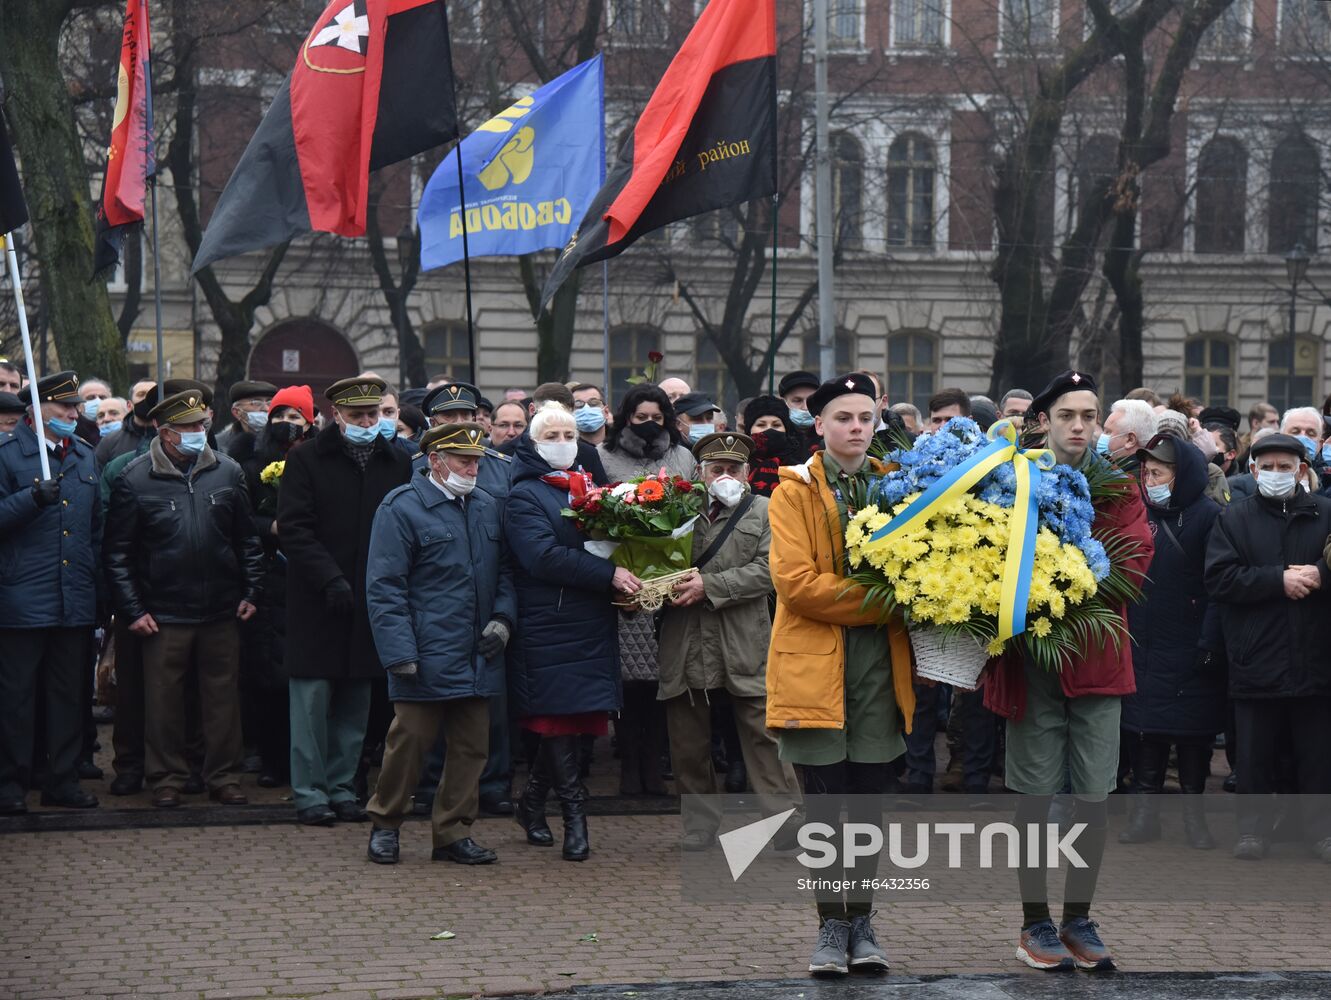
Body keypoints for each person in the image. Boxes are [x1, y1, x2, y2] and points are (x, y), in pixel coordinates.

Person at [982, 371, 1153, 973]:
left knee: (1094, 797)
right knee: (1033, 798)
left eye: (1089, 415)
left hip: (1099, 664)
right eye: (1066, 416)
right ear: (1044, 422)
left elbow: (1130, 569)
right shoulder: (1010, 479)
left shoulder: (1119, 488)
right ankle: (1035, 922)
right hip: (1034, 663)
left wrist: (1058, 579)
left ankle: (1079, 916)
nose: (1079, 426)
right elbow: (986, 562)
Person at [767, 372, 917, 976]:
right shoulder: (792, 492)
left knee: (870, 809)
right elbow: (797, 586)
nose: (856, 429)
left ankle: (863, 921)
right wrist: (890, 599)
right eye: (843, 419)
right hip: (815, 670)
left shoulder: (896, 486)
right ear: (819, 425)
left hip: (880, 669)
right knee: (826, 810)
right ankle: (830, 926)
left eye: (864, 418)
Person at [364, 422, 517, 866]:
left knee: (472, 748)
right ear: (435, 460)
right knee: (409, 744)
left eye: (476, 460)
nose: (472, 467)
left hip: (477, 652)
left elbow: (506, 572)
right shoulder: (401, 508)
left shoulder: (486, 506)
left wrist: (504, 620)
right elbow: (384, 588)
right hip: (424, 653)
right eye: (463, 460)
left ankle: (452, 833)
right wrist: (400, 654)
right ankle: (386, 824)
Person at [105, 388, 264, 809]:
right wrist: (133, 610)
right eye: (189, 428)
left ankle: (224, 776)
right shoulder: (135, 478)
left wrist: (251, 591)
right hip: (163, 613)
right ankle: (167, 778)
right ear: (166, 432)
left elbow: (247, 539)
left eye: (201, 425)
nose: (198, 433)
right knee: (163, 704)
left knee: (222, 701)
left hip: (220, 609)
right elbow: (117, 553)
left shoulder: (227, 472)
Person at [507, 403, 642, 860]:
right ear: (533, 442)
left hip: (590, 619)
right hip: (547, 621)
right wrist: (609, 575)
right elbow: (541, 556)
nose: (564, 442)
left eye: (569, 434)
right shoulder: (525, 494)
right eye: (553, 435)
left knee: (574, 720)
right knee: (556, 722)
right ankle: (574, 817)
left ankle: (529, 802)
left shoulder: (591, 487)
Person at [277, 376, 412, 826]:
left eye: (374, 415)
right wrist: (330, 578)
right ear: (337, 415)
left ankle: (341, 785)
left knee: (357, 699)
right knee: (311, 703)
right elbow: (295, 528)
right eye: (358, 416)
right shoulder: (307, 459)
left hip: (371, 597)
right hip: (318, 598)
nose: (368, 423)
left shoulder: (396, 462)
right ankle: (309, 791)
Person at [659, 432, 802, 850]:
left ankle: (786, 821)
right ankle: (699, 825)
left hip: (745, 637)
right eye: (716, 469)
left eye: (733, 469)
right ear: (700, 474)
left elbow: (772, 570)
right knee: (688, 738)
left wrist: (711, 585)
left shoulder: (766, 511)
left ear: (747, 472)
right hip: (685, 637)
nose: (725, 476)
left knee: (764, 732)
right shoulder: (671, 511)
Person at [1205, 433, 1331, 863]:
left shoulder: (1325, 513)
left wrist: (1318, 575)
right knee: (1255, 755)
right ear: (1253, 470)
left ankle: (1320, 831)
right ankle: (1252, 831)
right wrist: (1277, 580)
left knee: (1317, 754)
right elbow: (1220, 578)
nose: (1277, 474)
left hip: (1315, 654)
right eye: (1269, 467)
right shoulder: (1233, 519)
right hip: (1256, 654)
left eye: (1286, 467)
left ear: (1300, 470)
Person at [0, 372, 102, 814]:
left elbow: (96, 529)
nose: (74, 415)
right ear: (37, 409)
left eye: (76, 408)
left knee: (68, 698)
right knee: (17, 701)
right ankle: (10, 785)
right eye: (65, 408)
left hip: (73, 596)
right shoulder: (7, 455)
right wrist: (29, 500)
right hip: (21, 599)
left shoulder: (83, 456)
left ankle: (62, 780)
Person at [1119, 435, 1224, 850]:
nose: (1149, 479)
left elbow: (1217, 584)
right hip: (1143, 639)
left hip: (1191, 640)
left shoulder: (1208, 516)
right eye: (1146, 472)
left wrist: (1209, 641)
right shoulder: (1137, 511)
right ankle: (1145, 815)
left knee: (1193, 733)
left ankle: (1194, 819)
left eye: (1158, 472)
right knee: (1146, 728)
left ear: (1182, 476)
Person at [599, 384, 697, 795]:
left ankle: (655, 768)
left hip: (670, 584)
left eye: (657, 418)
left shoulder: (682, 456)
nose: (648, 425)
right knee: (627, 684)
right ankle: (628, 768)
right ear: (625, 417)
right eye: (640, 418)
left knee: (662, 683)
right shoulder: (604, 457)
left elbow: (693, 512)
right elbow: (596, 515)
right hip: (625, 583)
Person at [238, 384, 316, 788]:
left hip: (307, 580)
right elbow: (237, 520)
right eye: (279, 417)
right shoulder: (252, 466)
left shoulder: (318, 462)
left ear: (309, 422)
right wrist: (268, 526)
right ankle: (270, 758)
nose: (286, 425)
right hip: (268, 580)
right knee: (267, 678)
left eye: (294, 417)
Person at [495, 382, 609, 486]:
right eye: (548, 414)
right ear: (532, 410)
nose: (556, 421)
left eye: (563, 415)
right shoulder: (503, 455)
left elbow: (601, 496)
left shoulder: (587, 454)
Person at [417, 382, 512, 499]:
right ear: (432, 423)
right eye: (449, 415)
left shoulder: (501, 467)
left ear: (473, 420)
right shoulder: (414, 465)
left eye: (465, 415)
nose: (459, 422)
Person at [740, 394, 808, 496]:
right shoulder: (737, 465)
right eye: (761, 425)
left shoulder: (801, 467)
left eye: (776, 425)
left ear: (786, 429)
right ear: (749, 430)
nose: (769, 430)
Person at [95, 378, 160, 464]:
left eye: (153, 394)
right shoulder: (110, 441)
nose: (147, 398)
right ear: (129, 405)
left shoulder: (170, 437)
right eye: (141, 394)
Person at [217, 381, 278, 460]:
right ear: (237, 412)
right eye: (257, 403)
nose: (266, 409)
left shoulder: (283, 441)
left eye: (270, 403)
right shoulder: (218, 444)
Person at [1098, 398, 1156, 469]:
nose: (1102, 436)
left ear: (1130, 440)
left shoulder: (1125, 477)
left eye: (1108, 432)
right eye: (1104, 431)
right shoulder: (1147, 471)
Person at [777, 371, 820, 440]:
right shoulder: (776, 437)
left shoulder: (830, 437)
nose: (805, 407)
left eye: (811, 400)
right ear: (783, 403)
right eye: (797, 401)